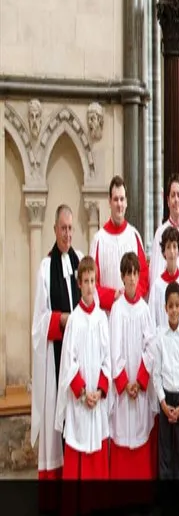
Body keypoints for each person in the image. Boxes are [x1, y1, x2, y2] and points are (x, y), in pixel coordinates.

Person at [32, 205, 83, 479]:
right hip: (56, 357)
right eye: (62, 228)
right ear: (54, 230)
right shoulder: (44, 269)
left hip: (77, 361)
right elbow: (38, 324)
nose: (67, 234)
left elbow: (93, 296)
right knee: (57, 426)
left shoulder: (81, 262)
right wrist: (61, 320)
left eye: (70, 228)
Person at [54, 256, 110, 479]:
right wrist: (83, 392)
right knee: (78, 454)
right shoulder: (74, 321)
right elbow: (69, 364)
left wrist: (99, 391)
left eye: (92, 281)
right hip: (80, 402)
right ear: (79, 284)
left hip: (96, 400)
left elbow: (108, 360)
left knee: (97, 453)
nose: (89, 286)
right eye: (85, 281)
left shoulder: (101, 320)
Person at [109, 252, 156, 479]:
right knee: (122, 435)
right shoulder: (117, 310)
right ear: (122, 277)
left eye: (135, 273)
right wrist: (124, 383)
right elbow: (113, 349)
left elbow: (151, 348)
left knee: (139, 434)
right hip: (124, 389)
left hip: (138, 386)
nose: (132, 278)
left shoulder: (144, 310)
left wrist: (139, 380)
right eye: (128, 274)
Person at [153, 281, 179, 480]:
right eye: (171, 306)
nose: (174, 310)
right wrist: (163, 402)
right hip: (165, 400)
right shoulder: (159, 338)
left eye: (177, 305)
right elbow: (156, 374)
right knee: (166, 454)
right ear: (165, 308)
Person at [90, 175, 149, 311]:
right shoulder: (99, 239)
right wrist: (114, 296)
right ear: (109, 202)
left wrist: (130, 296)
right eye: (115, 199)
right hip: (107, 315)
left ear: (126, 202)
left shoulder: (133, 236)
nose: (119, 204)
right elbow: (92, 283)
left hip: (131, 314)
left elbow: (144, 277)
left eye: (122, 199)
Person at [148, 226, 179, 338]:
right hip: (162, 346)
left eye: (174, 246)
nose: (172, 251)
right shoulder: (157, 286)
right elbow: (152, 323)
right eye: (168, 247)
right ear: (164, 252)